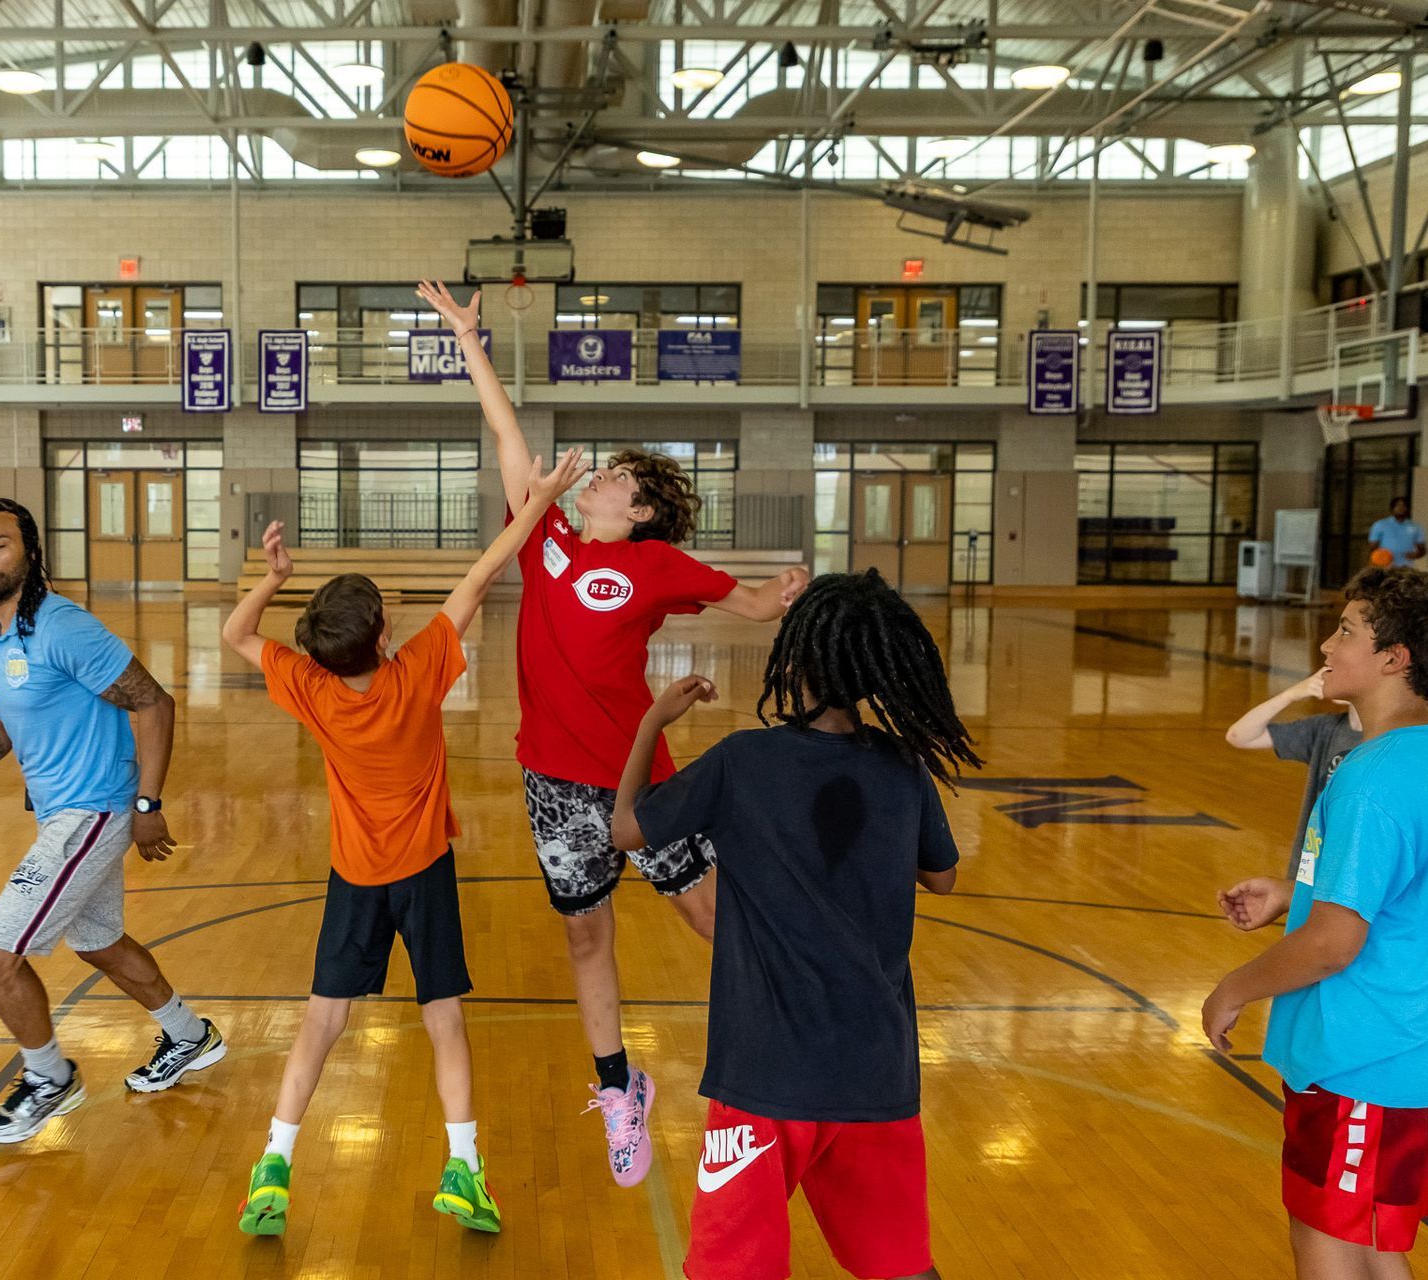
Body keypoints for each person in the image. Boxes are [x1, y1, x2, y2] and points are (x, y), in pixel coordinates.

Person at [416, 279, 809, 1187]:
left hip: (641, 777)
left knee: (706, 914)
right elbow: (508, 439)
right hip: (552, 778)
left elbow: (746, 602)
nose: (603, 477)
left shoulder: (657, 562)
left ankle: (791, 1010)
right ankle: (619, 1087)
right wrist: (470, 341)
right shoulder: (545, 535)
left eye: (621, 480)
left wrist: (782, 594)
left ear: (638, 512)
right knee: (586, 937)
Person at [221, 451, 590, 1238]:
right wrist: (542, 499)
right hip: (421, 873)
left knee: (322, 1021)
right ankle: (465, 1169)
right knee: (444, 1020)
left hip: (354, 877)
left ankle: (274, 1166)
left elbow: (235, 633)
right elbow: (486, 573)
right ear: (387, 634)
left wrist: (272, 576)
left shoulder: (312, 687)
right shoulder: (417, 672)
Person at [610, 570, 975, 1280]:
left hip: (766, 1073)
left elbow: (628, 827)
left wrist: (652, 723)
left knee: (730, 1268)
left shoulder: (745, 761)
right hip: (877, 1069)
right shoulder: (902, 767)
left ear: (794, 659)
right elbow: (943, 876)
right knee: (903, 1267)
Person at [0, 498, 223, 1146]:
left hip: (94, 810)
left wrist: (148, 805)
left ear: (30, 553)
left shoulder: (64, 628)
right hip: (58, 815)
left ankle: (49, 1077)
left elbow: (154, 702)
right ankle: (191, 1036)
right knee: (98, 942)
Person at [1203, 566, 1428, 1279]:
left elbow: (1335, 943)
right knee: (1363, 1242)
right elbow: (1400, 892)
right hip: (1407, 1037)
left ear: (1396, 659)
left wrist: (1234, 988)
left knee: (1328, 1241)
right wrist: (1291, 893)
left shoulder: (1372, 775)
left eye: (1348, 631)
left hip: (1369, 1052)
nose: (1328, 645)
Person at [1225, 668, 1364, 878]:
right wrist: (1290, 694)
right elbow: (1239, 736)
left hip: (1351, 876)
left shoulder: (1394, 742)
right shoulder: (1325, 728)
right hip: (1309, 867)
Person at [1368, 496, 1428, 568]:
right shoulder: (1380, 525)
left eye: (1403, 506)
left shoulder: (1416, 527)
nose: (1401, 508)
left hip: (1406, 567)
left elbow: (1422, 550)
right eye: (1398, 505)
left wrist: (1415, 555)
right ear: (1392, 508)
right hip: (1385, 566)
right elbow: (1372, 548)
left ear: (1408, 509)